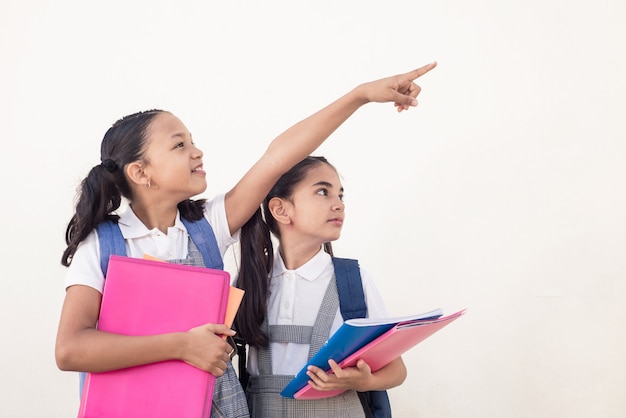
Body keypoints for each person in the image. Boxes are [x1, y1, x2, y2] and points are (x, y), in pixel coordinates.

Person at [55, 62, 436, 416]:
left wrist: (359, 95)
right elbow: (71, 349)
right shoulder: (103, 245)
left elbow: (278, 157)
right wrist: (183, 346)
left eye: (192, 140)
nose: (197, 151)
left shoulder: (207, 227)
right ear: (141, 172)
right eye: (179, 145)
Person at [236, 155, 407, 417]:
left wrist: (364, 382)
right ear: (281, 209)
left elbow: (397, 370)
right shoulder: (250, 282)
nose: (338, 204)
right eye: (323, 192)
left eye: (340, 195)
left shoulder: (353, 280)